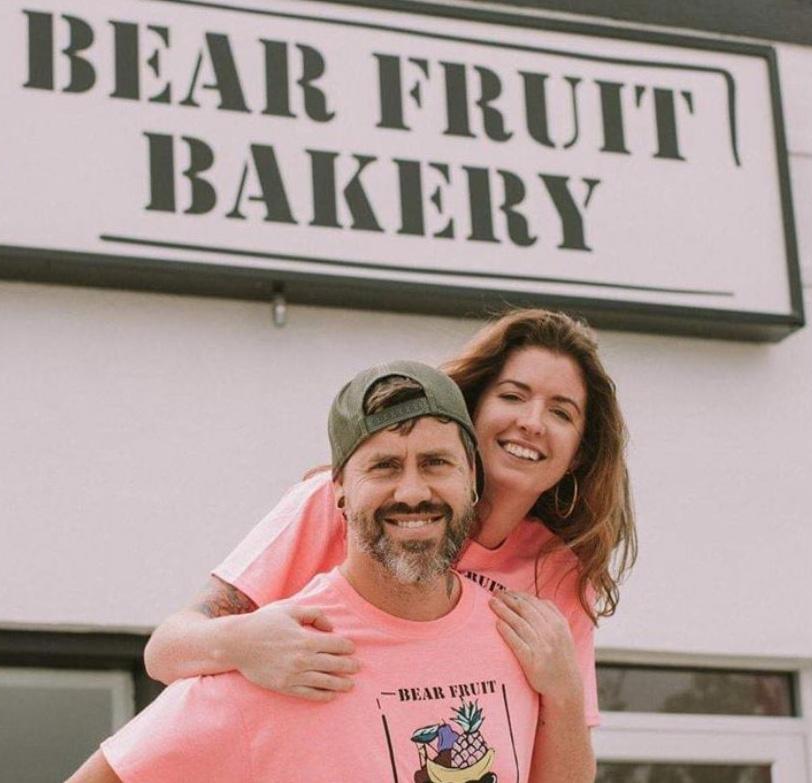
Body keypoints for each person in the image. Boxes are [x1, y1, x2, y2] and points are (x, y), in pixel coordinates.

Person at [145, 309, 637, 782]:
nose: (532, 421)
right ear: (473, 411)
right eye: (513, 396)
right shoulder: (337, 506)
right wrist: (243, 643)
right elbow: (166, 650)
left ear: (578, 452)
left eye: (561, 412)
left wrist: (566, 693)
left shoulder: (560, 575)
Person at [67, 361, 540, 782]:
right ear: (338, 491)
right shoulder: (285, 649)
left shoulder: (516, 636)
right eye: (384, 466)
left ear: (472, 481)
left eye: (437, 463)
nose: (412, 490)